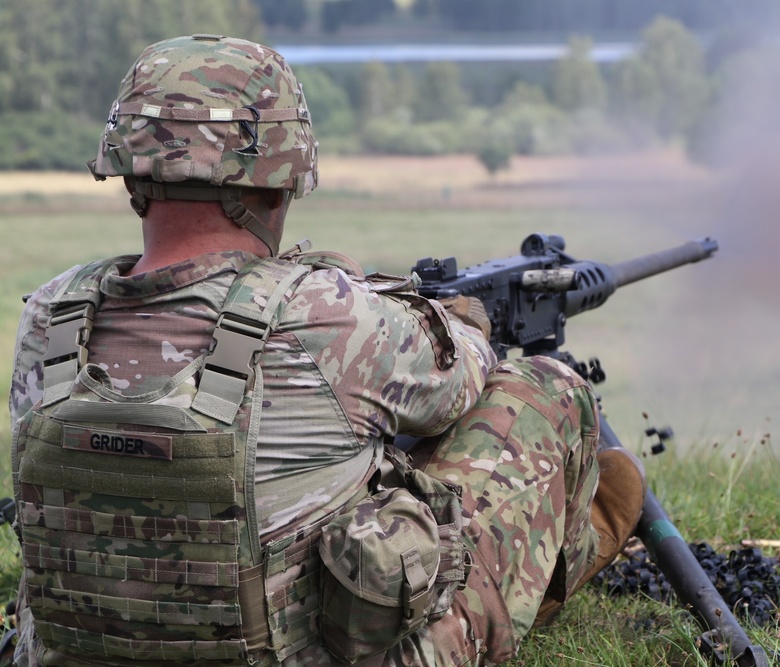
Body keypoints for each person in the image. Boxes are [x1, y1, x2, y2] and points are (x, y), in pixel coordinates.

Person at [8, 35, 646, 667]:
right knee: (540, 388)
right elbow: (461, 380)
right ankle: (558, 559)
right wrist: (458, 318)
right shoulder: (325, 316)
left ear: (131, 172)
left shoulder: (51, 318)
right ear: (277, 179)